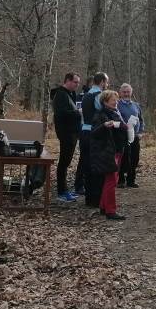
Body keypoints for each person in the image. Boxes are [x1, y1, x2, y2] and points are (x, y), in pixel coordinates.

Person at [90, 90, 128, 220]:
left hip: (118, 150)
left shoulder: (114, 113)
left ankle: (103, 206)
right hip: (108, 152)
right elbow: (94, 132)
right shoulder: (100, 115)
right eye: (113, 100)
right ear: (105, 101)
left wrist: (127, 127)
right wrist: (104, 126)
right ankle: (110, 211)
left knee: (110, 180)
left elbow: (121, 128)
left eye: (116, 100)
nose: (116, 102)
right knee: (111, 181)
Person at [51, 73, 82, 202]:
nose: (77, 85)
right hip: (66, 133)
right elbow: (60, 114)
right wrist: (77, 112)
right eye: (75, 82)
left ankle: (64, 190)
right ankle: (61, 192)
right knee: (64, 162)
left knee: (66, 162)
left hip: (72, 132)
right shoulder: (60, 94)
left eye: (78, 83)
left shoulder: (70, 94)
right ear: (67, 81)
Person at [80, 72, 109, 208]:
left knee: (86, 164)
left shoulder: (86, 95)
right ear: (102, 82)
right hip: (94, 133)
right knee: (95, 165)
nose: (107, 85)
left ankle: (88, 197)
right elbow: (101, 111)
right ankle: (95, 198)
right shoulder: (98, 96)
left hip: (84, 131)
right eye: (106, 82)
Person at [117, 83, 145, 188]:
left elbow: (141, 120)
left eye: (128, 92)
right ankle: (120, 180)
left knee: (134, 158)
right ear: (120, 93)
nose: (126, 94)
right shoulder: (117, 105)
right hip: (122, 136)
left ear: (131, 92)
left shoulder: (136, 105)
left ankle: (131, 180)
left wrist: (141, 132)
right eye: (124, 92)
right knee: (122, 158)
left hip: (135, 136)